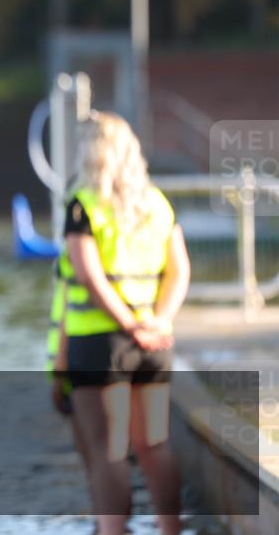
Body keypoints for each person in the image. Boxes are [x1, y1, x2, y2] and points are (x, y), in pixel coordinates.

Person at [60, 112, 190, 535]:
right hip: (154, 342)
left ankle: (114, 530)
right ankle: (172, 529)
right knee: (155, 446)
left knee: (108, 451)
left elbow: (88, 276)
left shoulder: (84, 203)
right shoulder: (156, 202)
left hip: (102, 342)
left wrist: (129, 324)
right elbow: (179, 270)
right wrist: (159, 321)